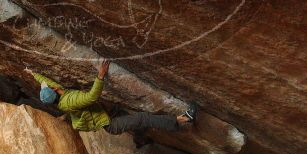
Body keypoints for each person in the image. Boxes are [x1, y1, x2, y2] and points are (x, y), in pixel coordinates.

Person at [28, 59, 197, 135]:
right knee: (142, 118)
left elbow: (47, 82)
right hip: (111, 124)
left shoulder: (60, 94)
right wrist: (100, 76)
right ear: (55, 91)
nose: (51, 84)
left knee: (136, 123)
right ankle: (183, 119)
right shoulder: (70, 100)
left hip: (110, 112)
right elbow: (92, 97)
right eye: (50, 87)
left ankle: (141, 139)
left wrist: (33, 73)